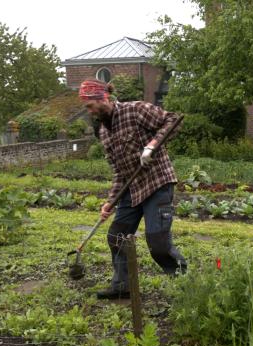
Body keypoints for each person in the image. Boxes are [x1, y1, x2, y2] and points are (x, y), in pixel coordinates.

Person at [79, 79, 187, 299]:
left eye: (90, 105)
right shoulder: (104, 132)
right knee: (116, 236)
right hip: (131, 189)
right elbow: (119, 172)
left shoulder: (136, 110)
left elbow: (173, 120)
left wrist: (152, 146)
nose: (89, 111)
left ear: (102, 98)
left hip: (157, 183)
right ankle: (122, 286)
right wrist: (111, 201)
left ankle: (184, 282)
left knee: (157, 242)